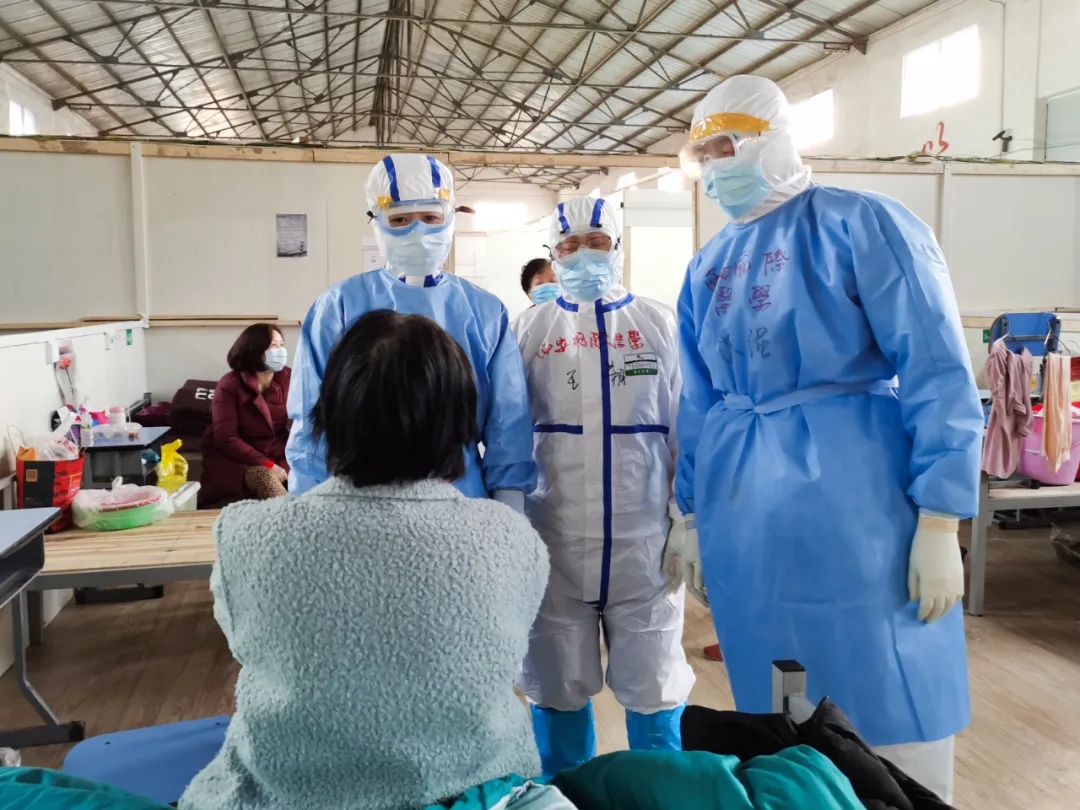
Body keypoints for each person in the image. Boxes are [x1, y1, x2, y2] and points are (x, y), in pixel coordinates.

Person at [668, 75, 982, 803]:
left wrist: (941, 517)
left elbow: (936, 368)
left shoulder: (863, 223)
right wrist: (691, 513)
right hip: (744, 515)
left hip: (857, 505)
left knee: (883, 686)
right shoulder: (708, 266)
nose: (715, 166)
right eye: (703, 154)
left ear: (775, 140)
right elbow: (700, 402)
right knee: (779, 709)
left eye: (728, 146)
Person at [181, 311, 552, 810]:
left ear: (329, 414)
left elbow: (245, 638)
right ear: (461, 421)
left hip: (288, 797)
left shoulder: (248, 534)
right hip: (476, 791)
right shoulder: (511, 538)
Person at [513, 196, 695, 779]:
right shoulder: (531, 329)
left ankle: (658, 792)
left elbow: (687, 430)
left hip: (646, 549)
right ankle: (567, 792)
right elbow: (507, 434)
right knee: (556, 684)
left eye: (596, 243)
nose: (583, 256)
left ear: (616, 246)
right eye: (569, 246)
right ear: (552, 253)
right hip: (555, 545)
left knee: (655, 685)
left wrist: (687, 518)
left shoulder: (658, 324)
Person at [286, 154, 536, 512]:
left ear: (450, 219)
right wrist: (309, 500)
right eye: (400, 220)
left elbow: (508, 418)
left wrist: (509, 499)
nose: (418, 232)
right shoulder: (336, 307)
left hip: (460, 501)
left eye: (431, 218)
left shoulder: (484, 311)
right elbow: (311, 414)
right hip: (358, 499)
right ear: (377, 223)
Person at [199, 323, 291, 507]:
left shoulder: (288, 377)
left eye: (282, 345)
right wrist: (267, 464)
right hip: (236, 461)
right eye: (274, 346)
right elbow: (227, 438)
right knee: (264, 477)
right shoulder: (229, 384)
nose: (280, 351)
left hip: (278, 455)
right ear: (255, 351)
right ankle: (290, 517)